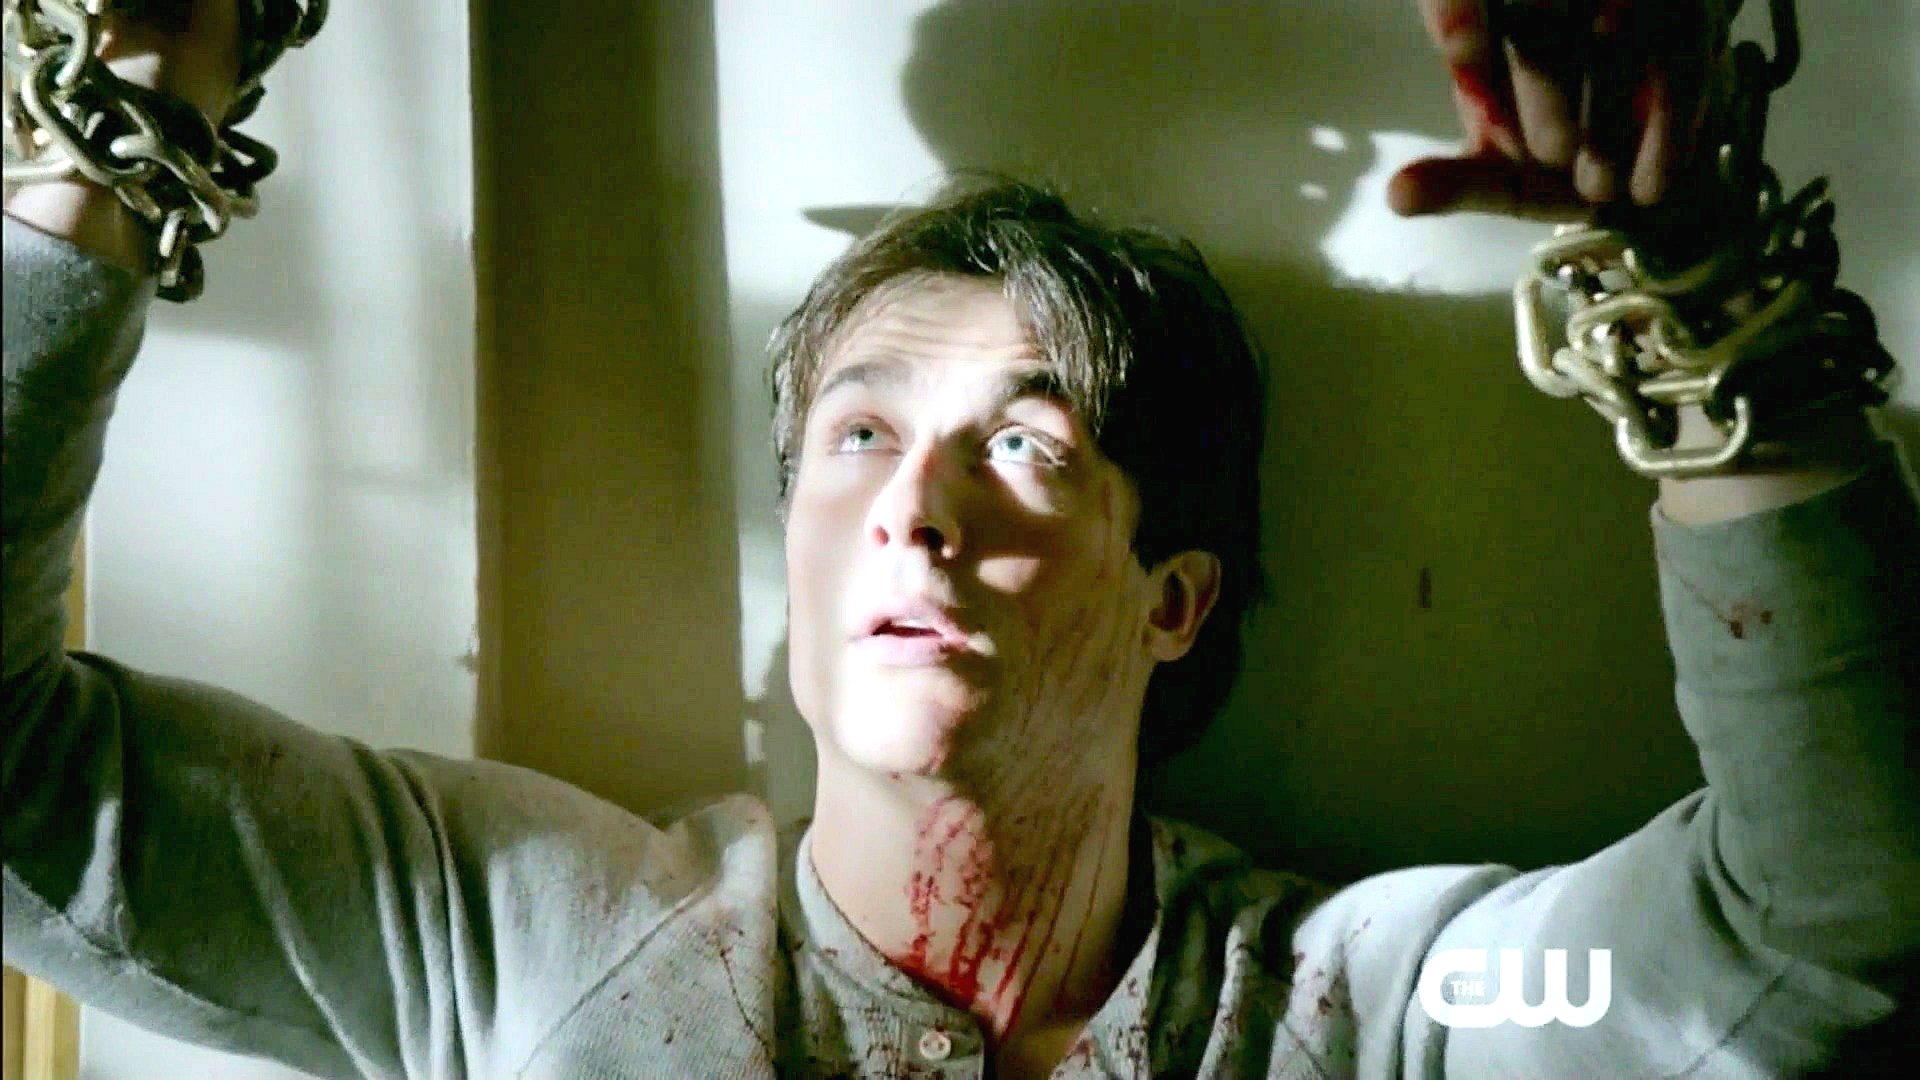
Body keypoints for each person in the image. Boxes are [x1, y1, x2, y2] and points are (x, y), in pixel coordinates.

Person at [4, 1, 1913, 1077]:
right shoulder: (528, 938)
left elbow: (1816, 928)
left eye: (1023, 444)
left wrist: (1712, 311)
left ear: (1176, 600)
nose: (915, 509)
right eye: (858, 439)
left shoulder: (1379, 1008)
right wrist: (122, 121)